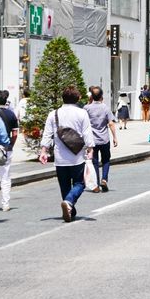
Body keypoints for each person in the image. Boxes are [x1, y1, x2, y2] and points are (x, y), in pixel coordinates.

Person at [39, 86, 95, 222]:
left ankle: (70, 209)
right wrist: (90, 148)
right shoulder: (82, 113)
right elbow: (87, 132)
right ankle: (69, 203)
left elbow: (47, 134)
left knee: (64, 186)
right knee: (80, 183)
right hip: (77, 156)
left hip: (60, 158)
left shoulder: (54, 114)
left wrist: (43, 151)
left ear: (62, 98)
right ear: (77, 98)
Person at [84, 86, 118, 192]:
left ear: (91, 96)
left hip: (92, 140)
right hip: (104, 139)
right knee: (106, 160)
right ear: (101, 96)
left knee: (94, 162)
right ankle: (104, 179)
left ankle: (96, 184)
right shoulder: (105, 108)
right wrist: (115, 137)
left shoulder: (86, 108)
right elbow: (111, 123)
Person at [0, 89, 19, 211]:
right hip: (4, 149)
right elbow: (14, 134)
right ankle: (5, 203)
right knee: (5, 176)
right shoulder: (11, 114)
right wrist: (10, 146)